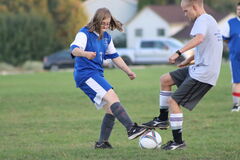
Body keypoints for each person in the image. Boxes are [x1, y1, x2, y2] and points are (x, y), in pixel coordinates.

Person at [141, 0, 223, 150]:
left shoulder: (202, 20)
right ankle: (162, 119)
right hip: (197, 67)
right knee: (165, 79)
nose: (185, 14)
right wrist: (188, 60)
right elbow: (207, 46)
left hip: (204, 73)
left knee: (173, 102)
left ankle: (178, 142)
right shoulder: (210, 20)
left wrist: (178, 52)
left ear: (195, 7)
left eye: (186, 11)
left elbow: (199, 39)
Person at [70, 8, 146, 149]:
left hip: (96, 74)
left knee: (111, 109)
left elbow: (115, 57)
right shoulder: (84, 33)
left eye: (108, 23)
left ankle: (102, 143)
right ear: (97, 20)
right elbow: (73, 49)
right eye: (103, 23)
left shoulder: (106, 38)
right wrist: (85, 53)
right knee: (113, 98)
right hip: (86, 75)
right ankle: (131, 129)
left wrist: (128, 71)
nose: (105, 26)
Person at [222, 2, 240, 112]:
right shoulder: (230, 23)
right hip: (235, 57)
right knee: (237, 81)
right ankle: (236, 105)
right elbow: (225, 38)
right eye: (238, 9)